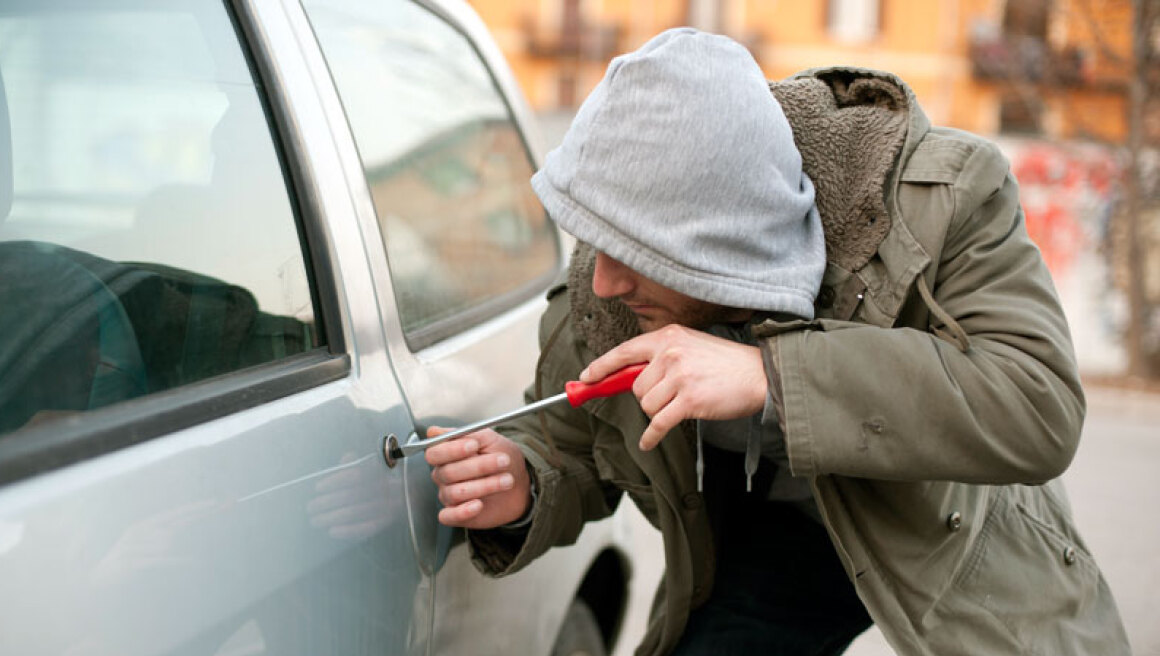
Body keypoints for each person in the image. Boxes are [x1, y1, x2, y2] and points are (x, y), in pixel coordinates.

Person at [425, 28, 1129, 656]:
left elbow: (1037, 405)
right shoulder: (607, 286)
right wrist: (525, 481)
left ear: (717, 242)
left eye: (634, 254)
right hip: (777, 546)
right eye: (596, 242)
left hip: (952, 534)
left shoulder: (945, 198)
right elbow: (574, 439)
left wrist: (770, 376)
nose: (604, 282)